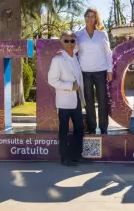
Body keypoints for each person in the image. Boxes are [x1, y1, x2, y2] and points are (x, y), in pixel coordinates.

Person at [48, 32, 86, 167]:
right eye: (66, 41)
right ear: (61, 42)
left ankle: (76, 156)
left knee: (79, 128)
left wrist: (77, 36)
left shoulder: (74, 57)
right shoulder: (57, 59)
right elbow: (52, 80)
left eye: (72, 41)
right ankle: (65, 158)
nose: (70, 43)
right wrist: (70, 86)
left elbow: (80, 43)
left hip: (76, 99)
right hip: (64, 101)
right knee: (64, 130)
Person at [75, 8, 113, 134]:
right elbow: (73, 50)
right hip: (84, 72)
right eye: (88, 15)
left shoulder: (102, 34)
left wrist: (110, 70)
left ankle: (103, 129)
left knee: (102, 100)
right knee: (88, 101)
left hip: (101, 71)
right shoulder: (78, 34)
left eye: (93, 16)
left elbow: (108, 53)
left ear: (96, 18)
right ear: (84, 17)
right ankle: (92, 128)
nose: (90, 18)